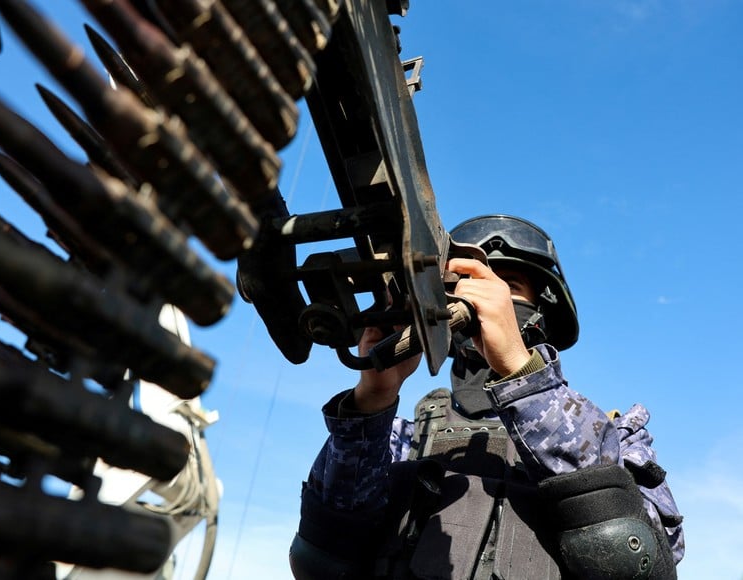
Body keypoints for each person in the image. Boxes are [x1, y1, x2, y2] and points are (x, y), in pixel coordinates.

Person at [289, 215, 684, 579]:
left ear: (542, 311)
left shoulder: (616, 437)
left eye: (509, 286)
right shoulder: (398, 440)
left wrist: (521, 372)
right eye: (467, 286)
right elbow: (322, 554)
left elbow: (643, 559)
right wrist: (374, 398)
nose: (485, 299)